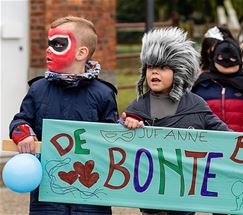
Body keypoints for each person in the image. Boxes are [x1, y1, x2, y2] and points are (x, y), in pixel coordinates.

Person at [9, 16, 117, 214]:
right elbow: (21, 119)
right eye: (49, 43)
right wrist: (23, 132)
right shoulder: (38, 89)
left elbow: (113, 137)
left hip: (90, 195)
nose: (49, 49)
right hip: (47, 197)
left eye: (58, 44)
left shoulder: (104, 94)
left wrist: (126, 126)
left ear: (81, 53)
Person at [122, 27, 229, 215]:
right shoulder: (137, 107)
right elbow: (116, 143)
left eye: (163, 67)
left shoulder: (196, 105)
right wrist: (127, 124)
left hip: (183, 199)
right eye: (150, 67)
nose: (154, 72)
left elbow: (225, 137)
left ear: (179, 71)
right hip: (151, 198)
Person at [192, 38, 243, 132]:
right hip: (210, 141)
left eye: (232, 58)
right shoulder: (202, 82)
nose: (227, 62)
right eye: (221, 57)